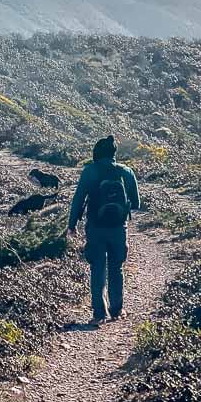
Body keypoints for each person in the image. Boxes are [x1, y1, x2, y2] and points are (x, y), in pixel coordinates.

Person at [67, 135, 140, 325]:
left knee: (97, 267)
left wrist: (72, 224)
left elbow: (78, 199)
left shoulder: (89, 171)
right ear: (113, 153)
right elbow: (137, 203)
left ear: (96, 153)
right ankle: (117, 310)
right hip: (118, 228)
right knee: (116, 268)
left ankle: (99, 314)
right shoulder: (126, 171)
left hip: (95, 227)